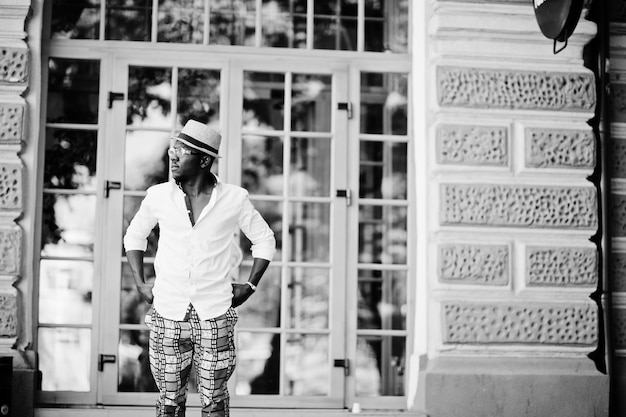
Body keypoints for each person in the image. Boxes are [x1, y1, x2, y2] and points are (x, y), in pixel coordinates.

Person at [123, 119, 276, 417]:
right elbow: (134, 235)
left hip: (215, 313)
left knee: (215, 401)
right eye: (173, 149)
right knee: (169, 402)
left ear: (204, 160)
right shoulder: (159, 196)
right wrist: (141, 283)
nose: (173, 155)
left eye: (182, 150)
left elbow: (264, 240)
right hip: (168, 313)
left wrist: (251, 284)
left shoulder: (234, 198)